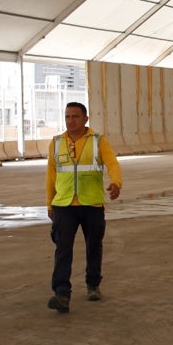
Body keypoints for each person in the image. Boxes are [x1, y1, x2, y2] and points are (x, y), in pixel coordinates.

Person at [46, 101, 122, 313]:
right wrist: (49, 203)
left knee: (94, 245)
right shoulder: (56, 142)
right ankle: (61, 293)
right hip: (64, 204)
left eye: (75, 117)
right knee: (63, 249)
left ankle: (93, 284)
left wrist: (116, 183)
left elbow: (113, 163)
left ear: (85, 119)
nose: (71, 121)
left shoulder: (98, 141)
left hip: (91, 203)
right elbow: (51, 175)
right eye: (67, 117)